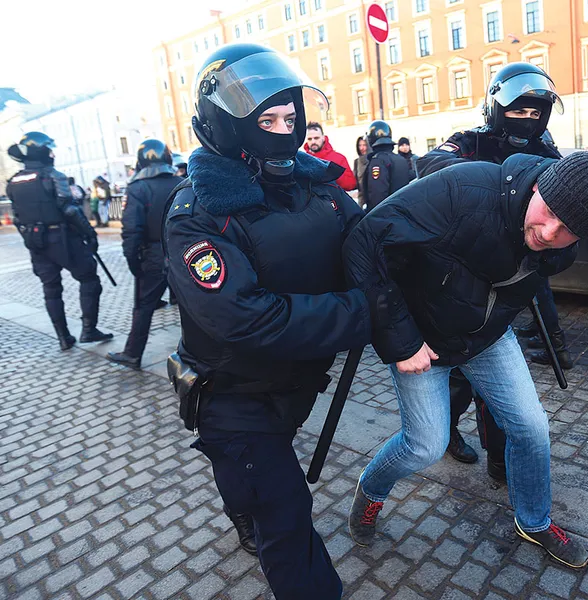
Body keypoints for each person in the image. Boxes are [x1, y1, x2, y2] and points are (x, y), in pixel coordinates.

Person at [163, 43, 378, 599]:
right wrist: (362, 312)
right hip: (233, 395)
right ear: (228, 125)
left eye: (292, 118)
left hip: (298, 382)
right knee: (283, 514)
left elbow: (370, 246)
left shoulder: (318, 187)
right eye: (267, 119)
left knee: (255, 482)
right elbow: (246, 318)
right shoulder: (197, 214)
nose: (285, 132)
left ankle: (243, 501)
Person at [345, 150, 588, 568]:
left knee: (532, 428)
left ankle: (533, 521)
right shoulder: (463, 190)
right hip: (423, 340)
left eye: (567, 229)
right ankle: (370, 490)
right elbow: (363, 242)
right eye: (548, 212)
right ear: (537, 185)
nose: (549, 232)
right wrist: (400, 340)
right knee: (425, 445)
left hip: (488, 339)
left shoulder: (560, 248)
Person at [416, 62, 573, 481]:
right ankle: (447, 431)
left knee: (499, 389)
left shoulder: (546, 150)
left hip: (512, 279)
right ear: (497, 107)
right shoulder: (471, 141)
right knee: (460, 382)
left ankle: (501, 457)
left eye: (535, 112)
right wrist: (499, 184)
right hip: (461, 275)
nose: (527, 120)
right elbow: (428, 167)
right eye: (518, 110)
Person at [6, 132, 113, 350]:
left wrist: (30, 237)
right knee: (89, 279)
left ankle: (63, 337)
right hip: (62, 238)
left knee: (51, 289)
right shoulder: (53, 176)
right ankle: (89, 330)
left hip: (35, 241)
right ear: (42, 151)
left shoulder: (14, 181)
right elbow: (71, 210)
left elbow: (17, 217)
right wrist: (89, 234)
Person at [107, 139, 182, 369]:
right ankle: (199, 354)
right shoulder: (182, 182)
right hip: (181, 250)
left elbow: (131, 230)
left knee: (143, 307)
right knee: (192, 306)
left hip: (154, 255)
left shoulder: (138, 188)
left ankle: (132, 354)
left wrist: (133, 262)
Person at [363, 120, 410, 212]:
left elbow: (377, 195)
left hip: (386, 217)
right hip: (402, 214)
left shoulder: (378, 161)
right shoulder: (400, 159)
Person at [303, 122, 357, 190]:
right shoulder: (302, 160)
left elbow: (350, 184)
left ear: (323, 137)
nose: (313, 142)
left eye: (316, 138)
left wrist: (333, 173)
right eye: (310, 139)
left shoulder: (339, 158)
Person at [353, 136, 370, 207]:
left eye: (364, 145)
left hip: (373, 197)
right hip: (362, 198)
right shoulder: (356, 162)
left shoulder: (374, 160)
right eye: (360, 145)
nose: (362, 148)